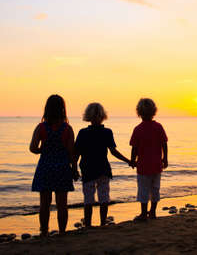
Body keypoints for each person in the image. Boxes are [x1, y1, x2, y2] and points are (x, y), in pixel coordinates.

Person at [74, 102, 132, 227]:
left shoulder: (82, 133)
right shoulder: (107, 132)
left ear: (88, 116)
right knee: (104, 197)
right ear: (103, 116)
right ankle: (102, 223)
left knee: (88, 199)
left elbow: (76, 153)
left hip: (88, 169)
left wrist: (73, 168)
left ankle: (88, 224)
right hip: (103, 169)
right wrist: (128, 161)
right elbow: (113, 152)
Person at [29, 94, 78, 236]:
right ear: (63, 109)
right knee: (62, 204)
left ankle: (44, 231)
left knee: (44, 204)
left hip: (45, 168)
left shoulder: (41, 127)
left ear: (47, 109)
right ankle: (62, 231)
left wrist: (41, 150)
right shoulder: (67, 129)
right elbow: (71, 153)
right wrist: (74, 170)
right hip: (62, 168)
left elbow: (32, 148)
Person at [130, 98, 168, 220]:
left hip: (143, 166)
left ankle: (143, 213)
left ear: (139, 113)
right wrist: (165, 158)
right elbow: (164, 144)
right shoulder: (158, 127)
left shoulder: (138, 129)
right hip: (156, 164)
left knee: (143, 190)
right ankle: (152, 212)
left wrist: (132, 160)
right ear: (154, 112)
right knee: (155, 189)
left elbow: (134, 148)